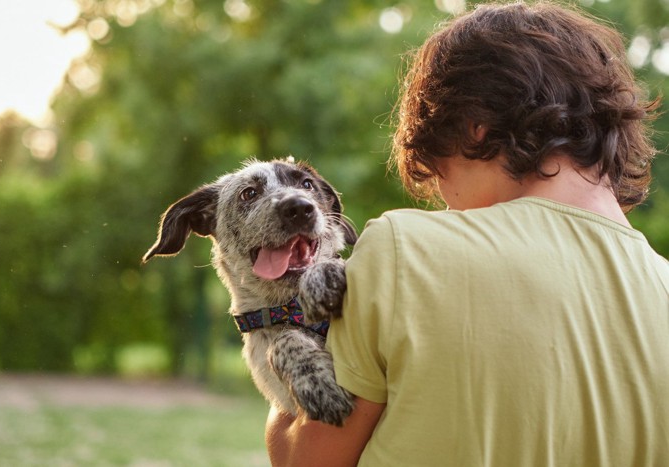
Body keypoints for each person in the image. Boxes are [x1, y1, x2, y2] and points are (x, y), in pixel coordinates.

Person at [265, 2, 669, 465]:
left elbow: (305, 459)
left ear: (475, 127)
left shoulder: (405, 250)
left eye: (438, 175)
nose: (446, 201)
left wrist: (277, 335)